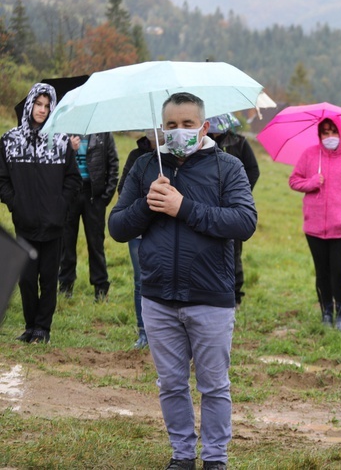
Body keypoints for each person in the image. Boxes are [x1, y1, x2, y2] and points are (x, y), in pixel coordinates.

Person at [109, 92, 257, 470]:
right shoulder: (145, 167)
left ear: (204, 127)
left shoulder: (228, 167)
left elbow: (243, 222)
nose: (179, 132)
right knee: (171, 384)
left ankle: (215, 458)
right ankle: (181, 455)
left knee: (214, 386)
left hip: (210, 297)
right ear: (161, 129)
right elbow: (117, 227)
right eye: (171, 126)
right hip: (158, 297)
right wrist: (148, 203)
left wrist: (182, 207)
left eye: (187, 125)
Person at [0, 83, 82, 344]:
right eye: (39, 104)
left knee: (48, 280)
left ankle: (42, 330)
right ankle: (29, 326)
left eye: (48, 106)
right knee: (25, 279)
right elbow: (2, 179)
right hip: (24, 224)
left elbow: (73, 180)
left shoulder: (60, 140)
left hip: (53, 225)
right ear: (30, 104)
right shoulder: (10, 140)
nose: (43, 110)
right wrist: (16, 203)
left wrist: (60, 205)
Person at [289, 116, 341, 332]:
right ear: (319, 134)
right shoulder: (310, 155)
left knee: (340, 272)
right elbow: (294, 181)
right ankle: (326, 312)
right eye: (325, 132)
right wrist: (312, 183)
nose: (330, 136)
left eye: (333, 131)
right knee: (322, 272)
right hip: (314, 228)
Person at [58, 132, 119, 302]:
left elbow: (113, 164)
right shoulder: (65, 132)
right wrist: (69, 150)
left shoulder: (104, 134)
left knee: (95, 244)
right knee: (66, 243)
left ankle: (100, 289)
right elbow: (54, 162)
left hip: (94, 196)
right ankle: (65, 286)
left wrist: (105, 197)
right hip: (70, 193)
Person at [206, 116, 260, 307]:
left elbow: (253, 170)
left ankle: (236, 293)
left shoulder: (239, 142)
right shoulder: (201, 142)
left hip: (232, 209)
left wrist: (239, 195)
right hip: (209, 207)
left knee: (234, 251)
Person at [117, 130, 158, 349]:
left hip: (163, 230)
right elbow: (122, 189)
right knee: (141, 280)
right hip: (139, 230)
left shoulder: (173, 158)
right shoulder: (136, 156)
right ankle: (144, 333)